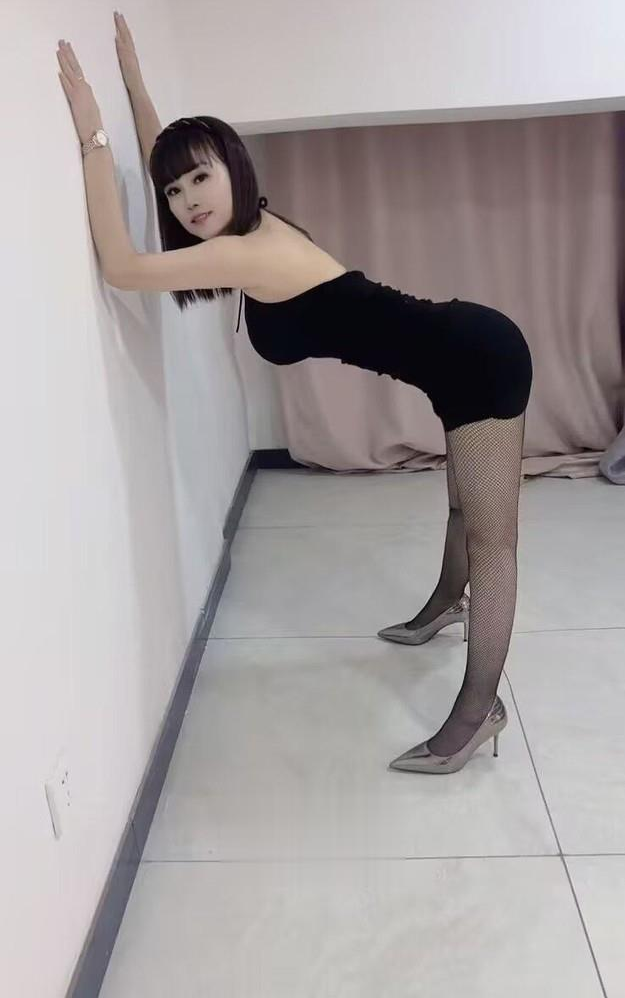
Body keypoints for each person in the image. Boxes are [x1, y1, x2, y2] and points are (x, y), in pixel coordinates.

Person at [95, 13, 535, 775]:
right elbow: (173, 157)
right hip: (449, 359)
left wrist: (88, 136)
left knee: (492, 539)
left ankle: (478, 709)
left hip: (480, 358)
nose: (188, 199)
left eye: (201, 178)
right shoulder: (244, 232)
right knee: (461, 508)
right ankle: (444, 604)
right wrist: (134, 82)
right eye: (174, 188)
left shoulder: (245, 251)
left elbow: (121, 268)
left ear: (234, 170)